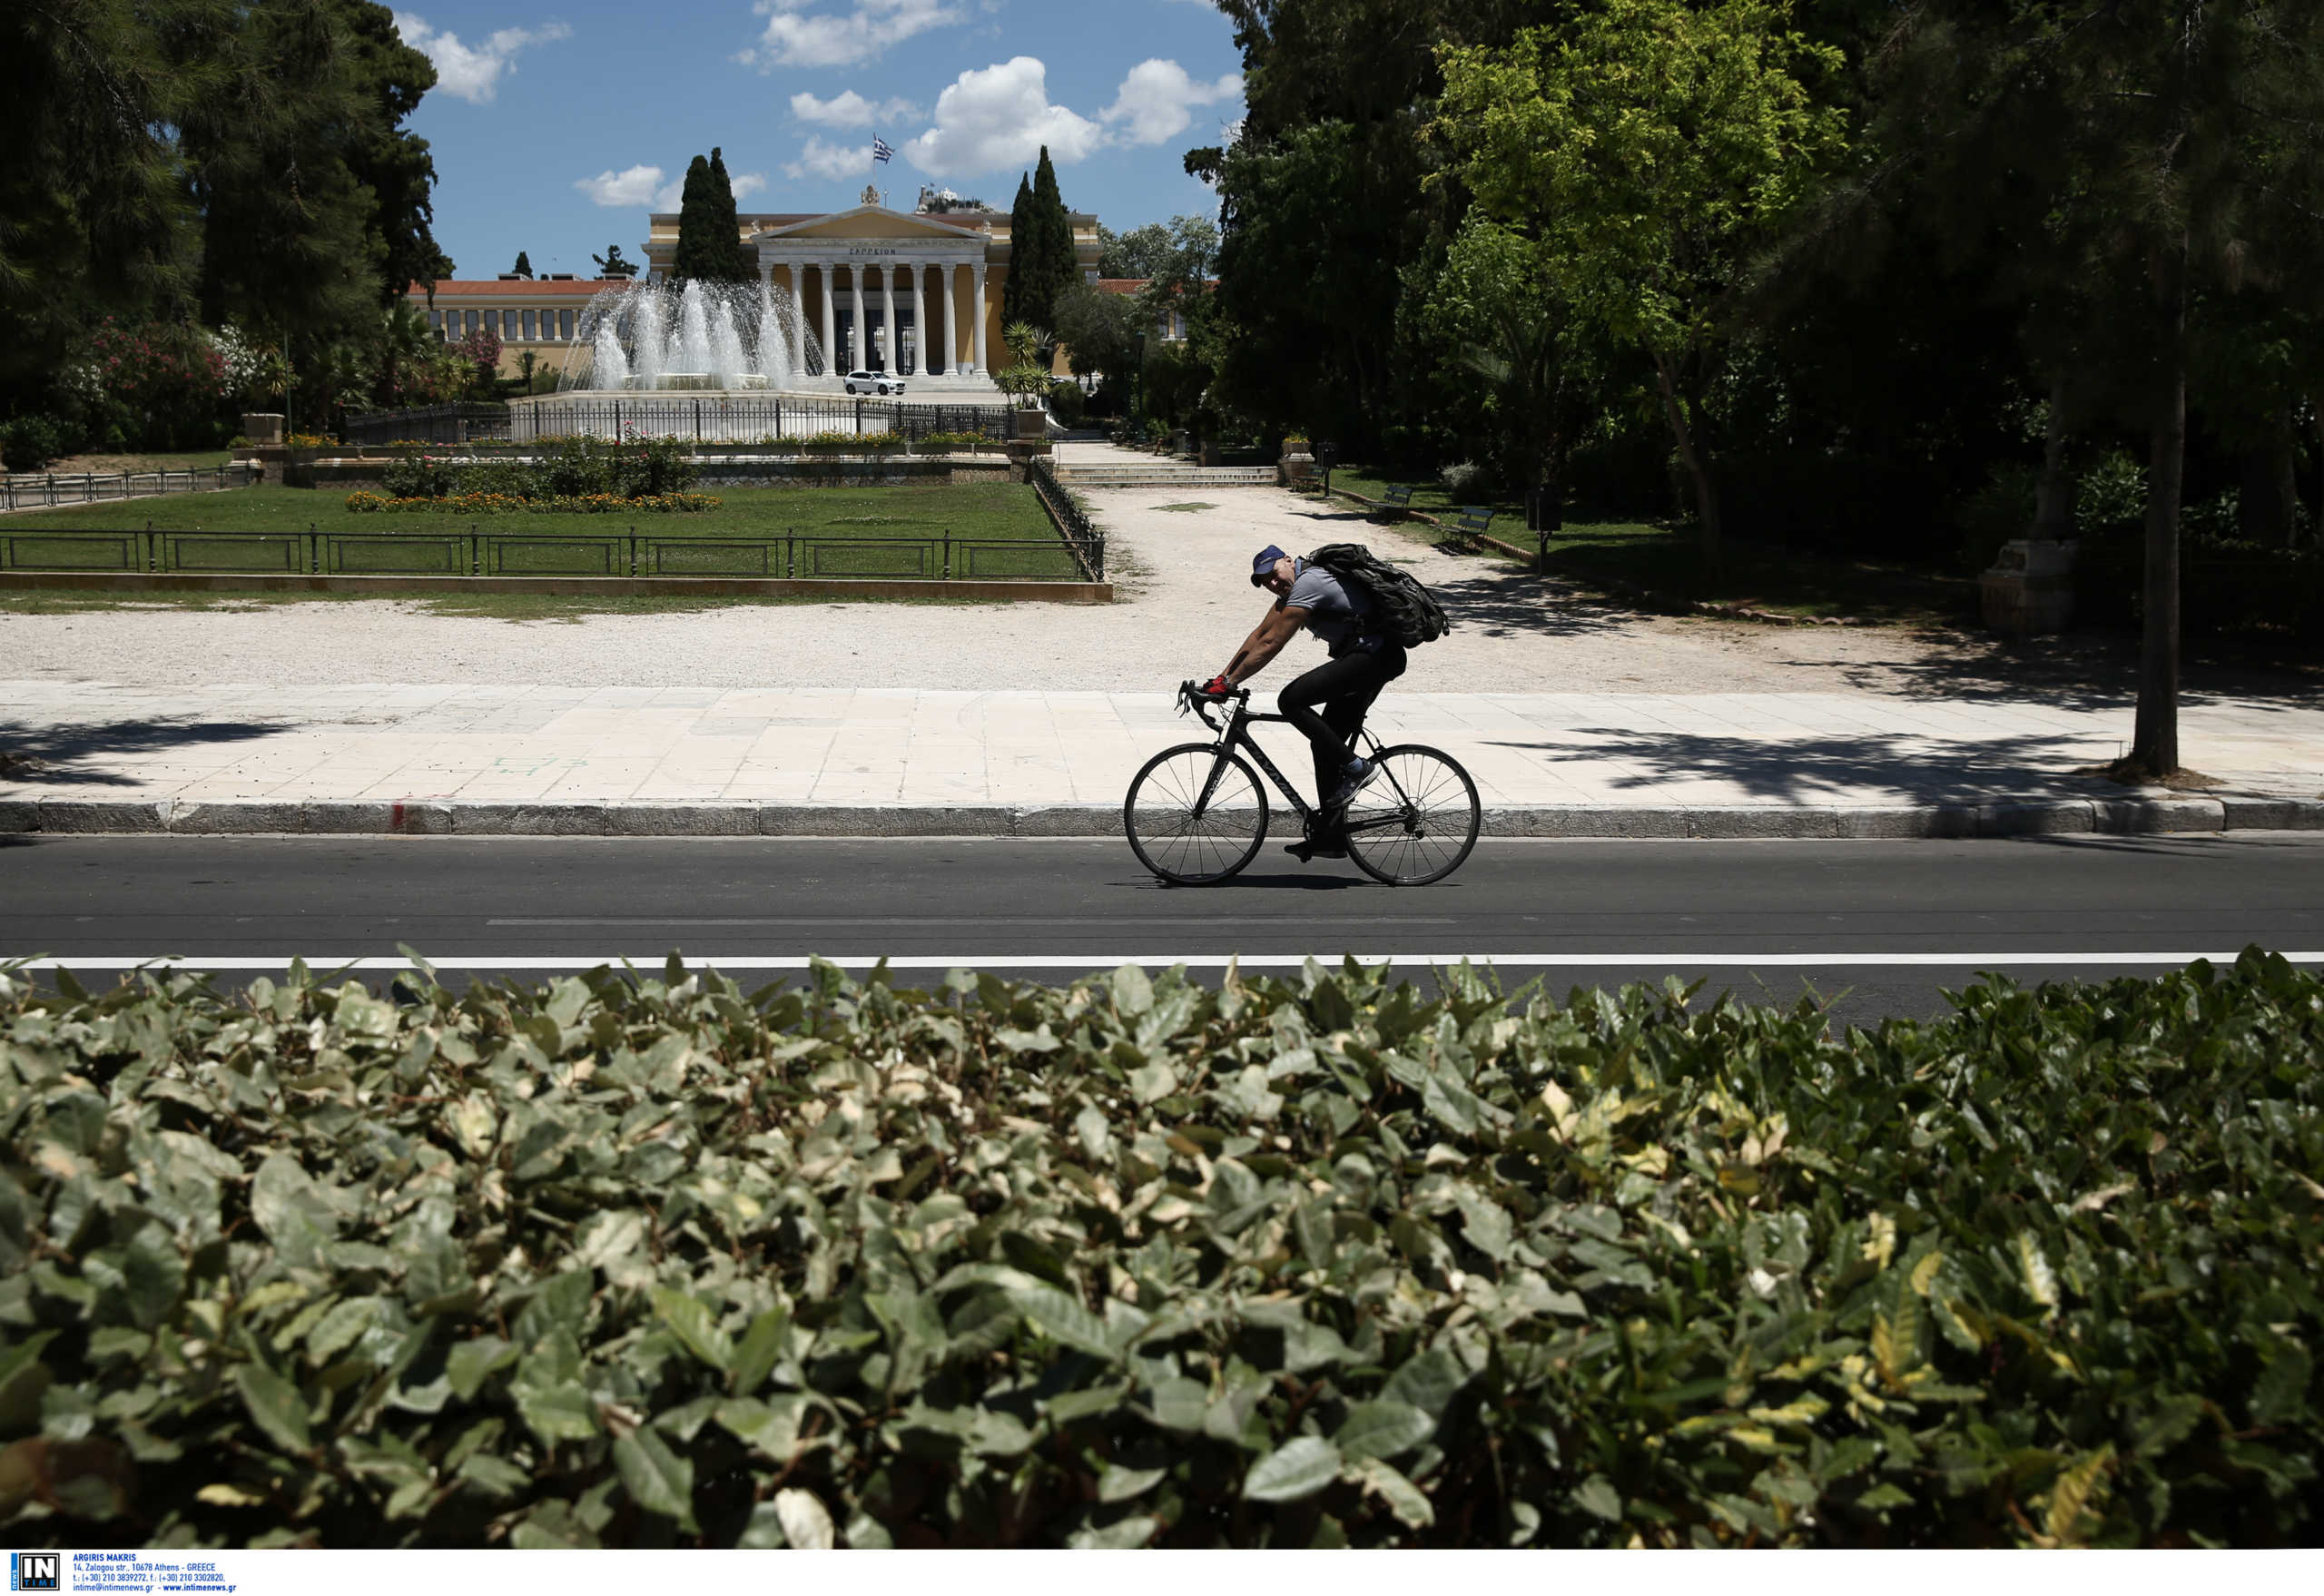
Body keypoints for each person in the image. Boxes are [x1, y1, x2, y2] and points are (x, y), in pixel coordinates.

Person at [1199, 543, 1407, 858]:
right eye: (1264, 581)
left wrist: (1231, 682)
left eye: (1273, 574)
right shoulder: (1290, 594)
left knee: (1291, 700)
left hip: (1375, 657)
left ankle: (1359, 769)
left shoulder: (1310, 582)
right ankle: (1331, 838)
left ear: (1288, 559)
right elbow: (1259, 633)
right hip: (1363, 658)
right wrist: (1221, 679)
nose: (1272, 583)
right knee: (1325, 743)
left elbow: (1272, 642)